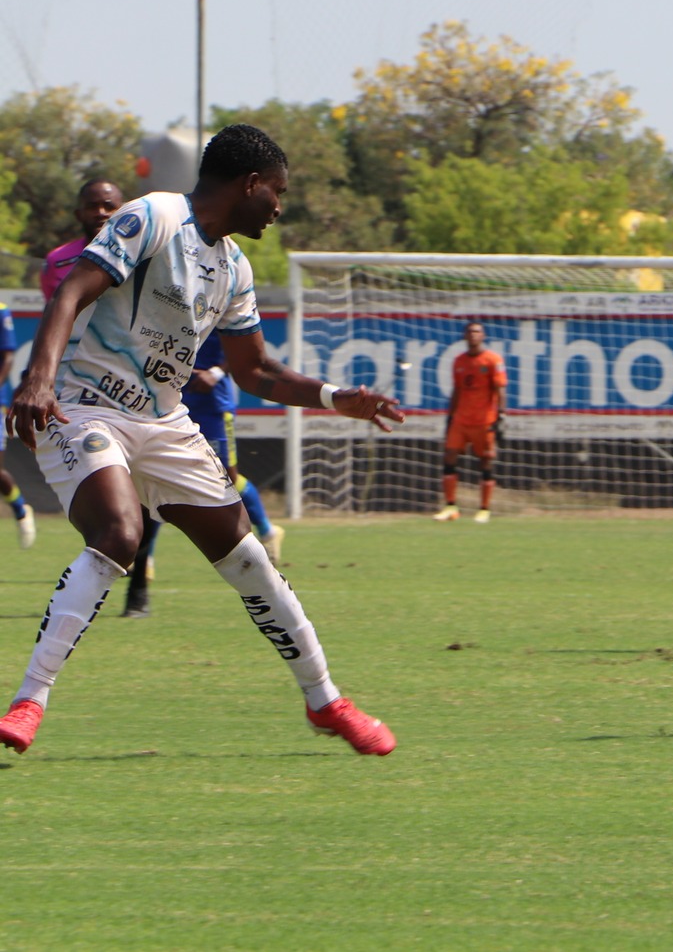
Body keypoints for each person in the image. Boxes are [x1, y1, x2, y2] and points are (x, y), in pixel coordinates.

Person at [0, 124, 403, 757]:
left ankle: (327, 702)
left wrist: (334, 397)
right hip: (85, 409)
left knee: (250, 562)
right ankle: (29, 700)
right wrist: (39, 380)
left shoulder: (234, 268)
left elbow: (257, 372)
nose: (278, 206)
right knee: (120, 533)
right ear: (250, 184)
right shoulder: (154, 216)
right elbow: (74, 290)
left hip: (165, 423)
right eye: (277, 191)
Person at [122, 332, 284, 617]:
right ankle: (143, 570)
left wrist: (217, 371)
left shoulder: (222, 298)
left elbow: (247, 352)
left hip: (213, 405)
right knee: (153, 483)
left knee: (227, 479)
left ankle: (268, 531)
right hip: (169, 405)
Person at [20, 179, 128, 554]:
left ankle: (138, 570)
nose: (101, 212)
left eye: (109, 205)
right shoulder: (58, 261)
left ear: (124, 210)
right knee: (96, 479)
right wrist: (35, 374)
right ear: (78, 212)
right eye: (93, 205)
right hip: (74, 383)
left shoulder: (142, 256)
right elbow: (54, 318)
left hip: (128, 379)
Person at [435, 322, 506, 523]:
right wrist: (450, 416)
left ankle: (484, 509)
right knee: (449, 456)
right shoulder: (459, 361)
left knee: (485, 461)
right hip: (461, 419)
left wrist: (501, 415)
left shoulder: (493, 360)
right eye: (470, 332)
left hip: (484, 420)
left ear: (483, 336)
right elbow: (457, 390)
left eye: (477, 332)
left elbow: (500, 389)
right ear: (465, 336)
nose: (473, 335)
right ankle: (451, 507)